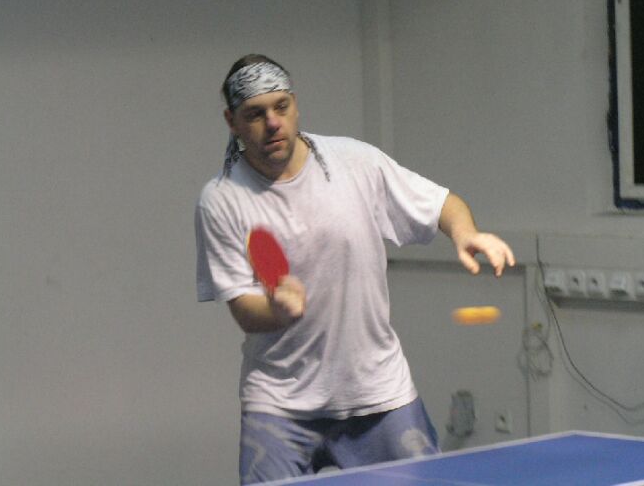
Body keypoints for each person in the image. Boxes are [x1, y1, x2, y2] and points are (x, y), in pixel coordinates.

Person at [195, 54, 516, 484]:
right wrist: (277, 310)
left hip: (378, 392)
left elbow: (443, 204)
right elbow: (243, 308)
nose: (272, 123)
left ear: (295, 105)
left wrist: (465, 233)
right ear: (232, 122)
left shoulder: (356, 162)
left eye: (281, 106)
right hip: (280, 402)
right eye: (255, 114)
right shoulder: (221, 200)